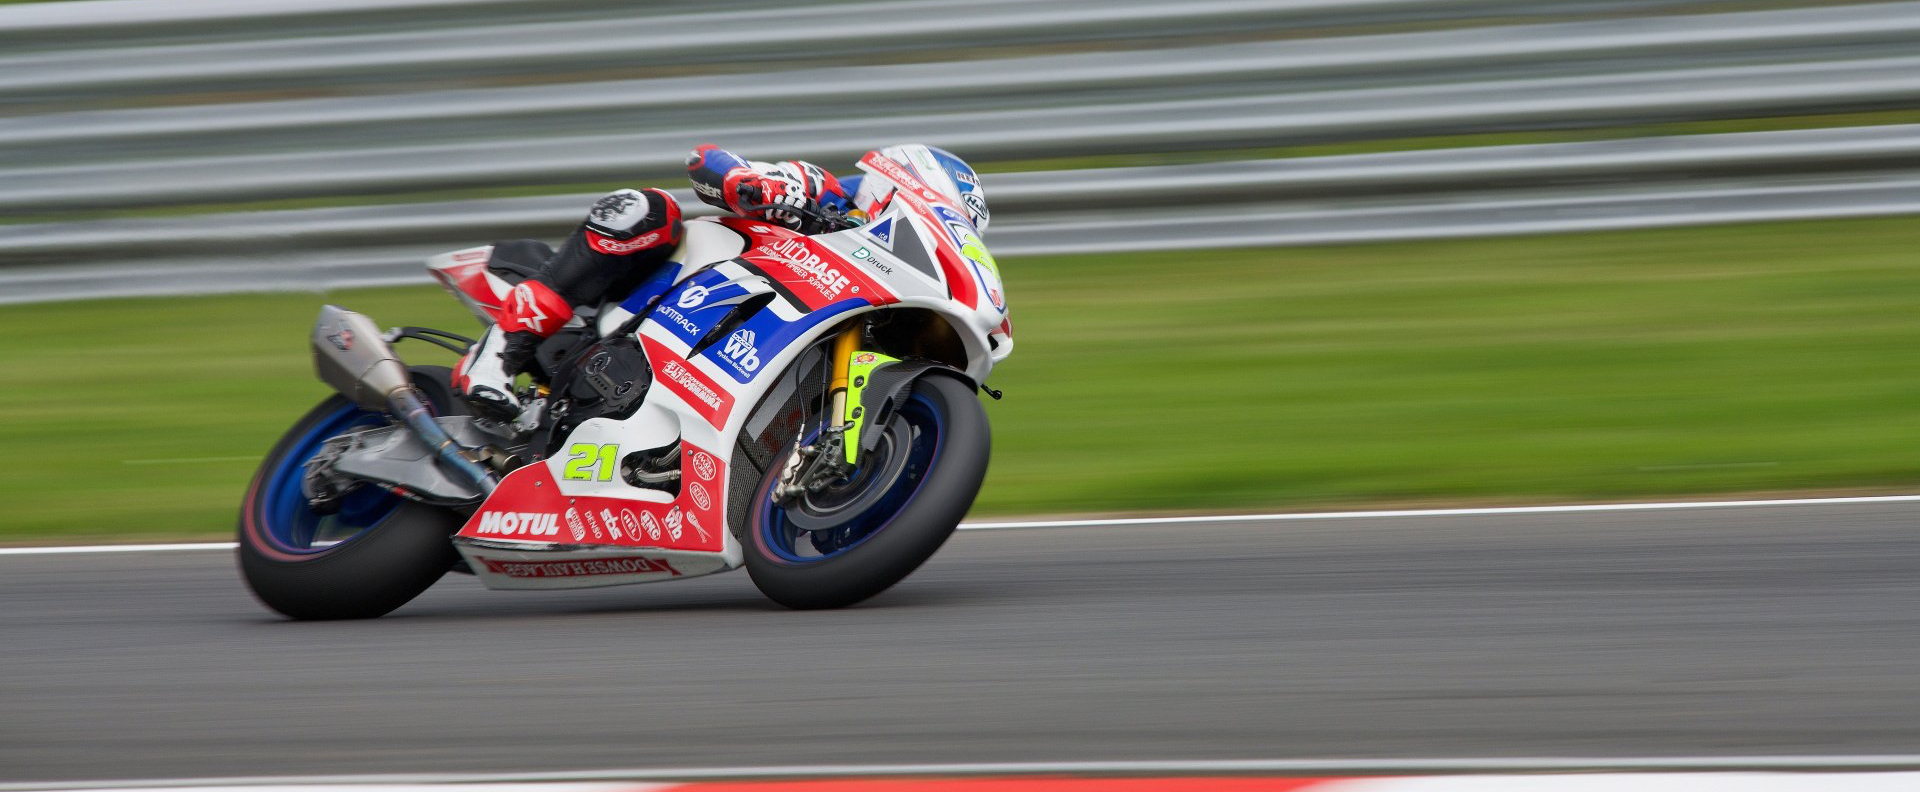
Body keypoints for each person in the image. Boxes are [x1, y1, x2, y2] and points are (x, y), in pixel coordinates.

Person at [453, 143, 990, 420]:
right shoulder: (826, 193)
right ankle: (498, 354)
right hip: (646, 300)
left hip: (745, 341)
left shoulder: (876, 279)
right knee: (648, 209)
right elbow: (706, 160)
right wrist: (750, 183)